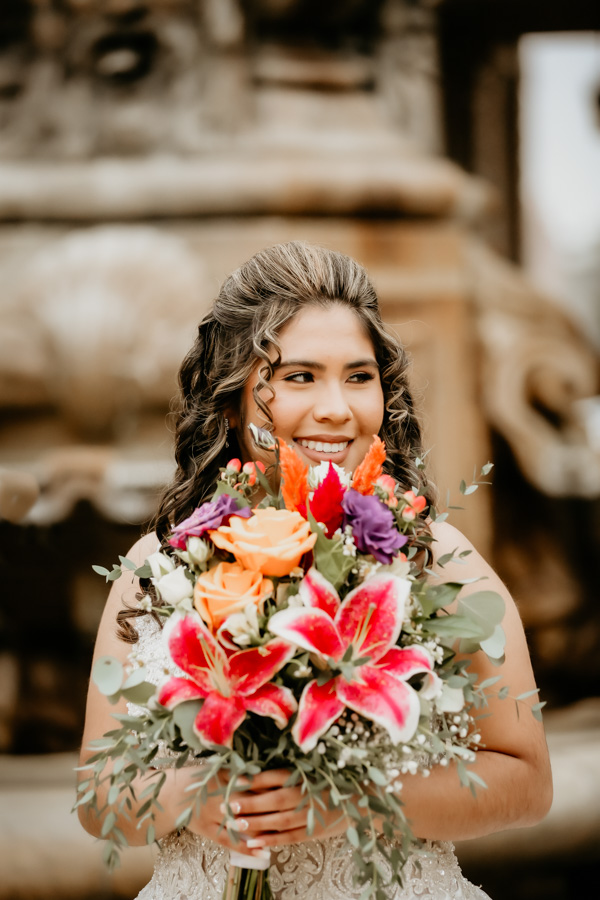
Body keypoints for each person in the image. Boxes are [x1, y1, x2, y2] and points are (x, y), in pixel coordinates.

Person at [78, 241, 553, 899]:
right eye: (300, 377)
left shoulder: (437, 560)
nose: (337, 408)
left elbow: (529, 783)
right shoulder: (155, 569)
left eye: (359, 377)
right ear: (231, 399)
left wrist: (353, 800)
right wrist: (197, 796)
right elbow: (98, 794)